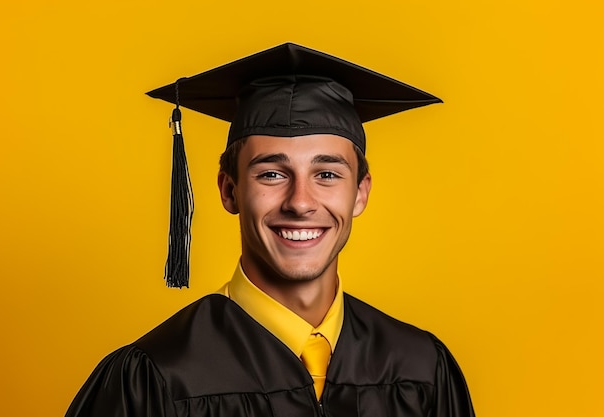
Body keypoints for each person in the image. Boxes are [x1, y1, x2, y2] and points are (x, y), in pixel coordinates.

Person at [65, 43, 475, 417]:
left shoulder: (421, 370)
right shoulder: (158, 377)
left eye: (327, 174)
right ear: (230, 190)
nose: (300, 202)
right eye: (273, 174)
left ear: (360, 194)